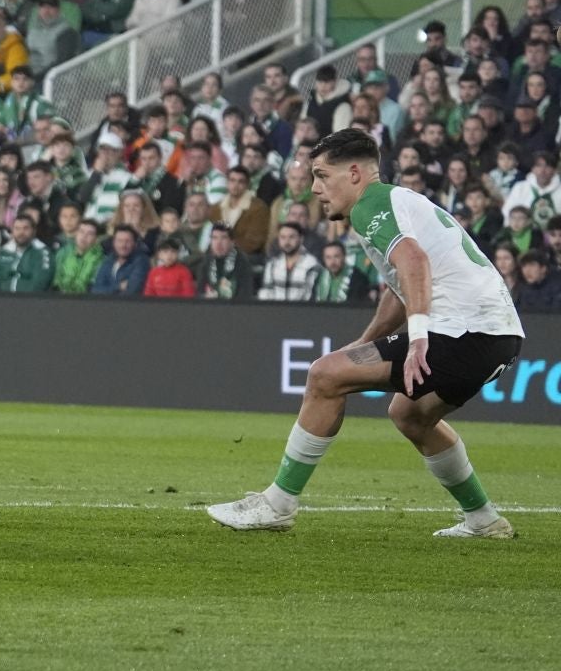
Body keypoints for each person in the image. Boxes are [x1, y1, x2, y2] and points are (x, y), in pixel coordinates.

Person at [209, 129, 525, 538]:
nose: (316, 188)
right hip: (498, 336)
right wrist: (365, 343)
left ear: (354, 173)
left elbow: (413, 261)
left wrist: (419, 337)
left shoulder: (370, 205)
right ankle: (484, 520)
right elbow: (401, 288)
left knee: (324, 376)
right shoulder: (396, 203)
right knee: (409, 415)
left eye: (322, 176)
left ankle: (278, 504)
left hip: (462, 329)